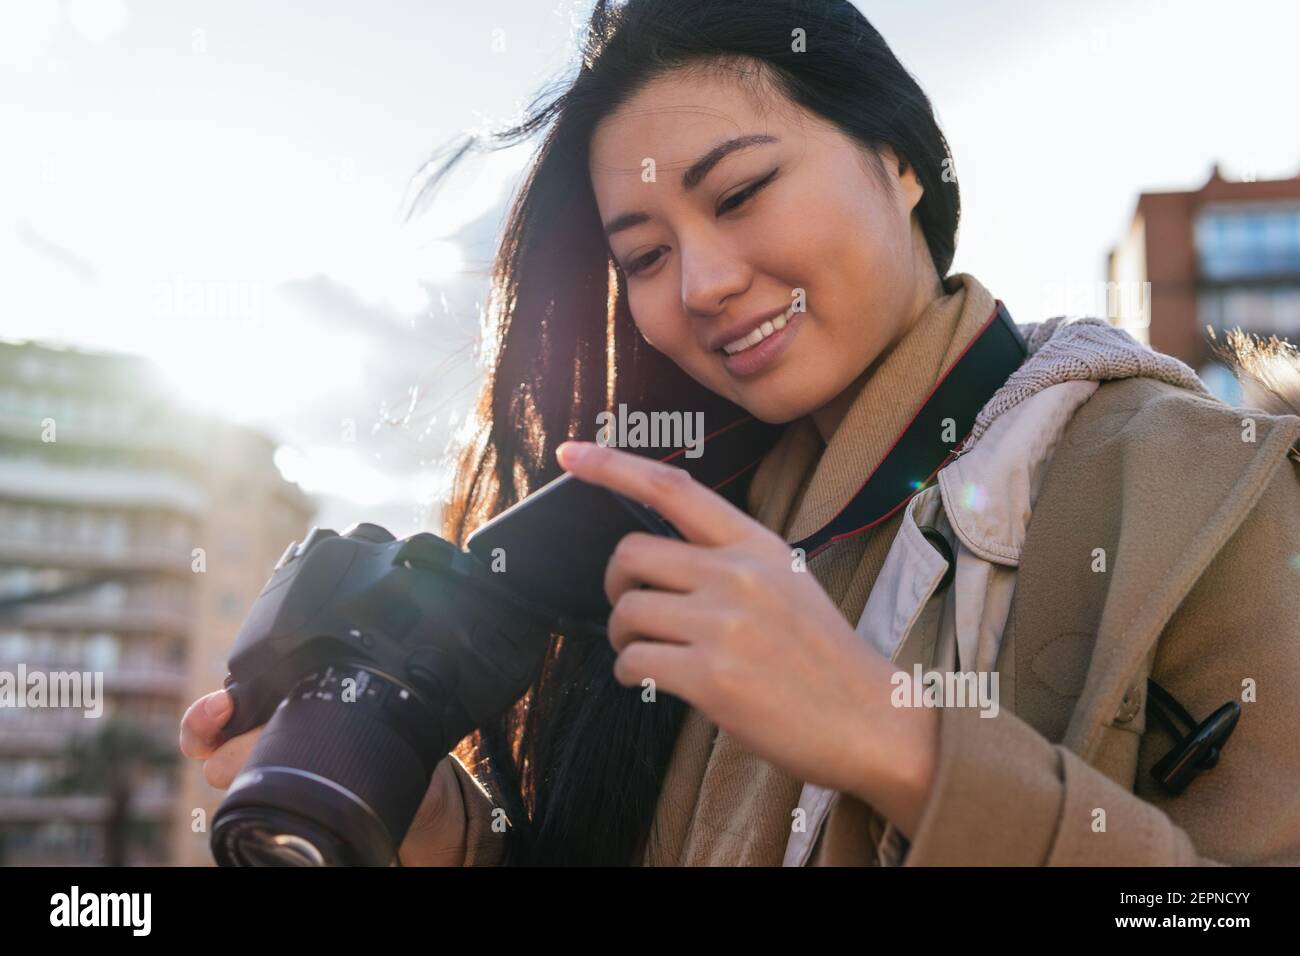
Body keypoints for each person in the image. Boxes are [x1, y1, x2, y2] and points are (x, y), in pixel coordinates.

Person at [180, 0, 1300, 866]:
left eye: (743, 190)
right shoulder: (668, 526)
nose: (705, 283)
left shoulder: (1199, 485)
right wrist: (442, 832)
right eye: (647, 255)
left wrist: (893, 741)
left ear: (900, 160)